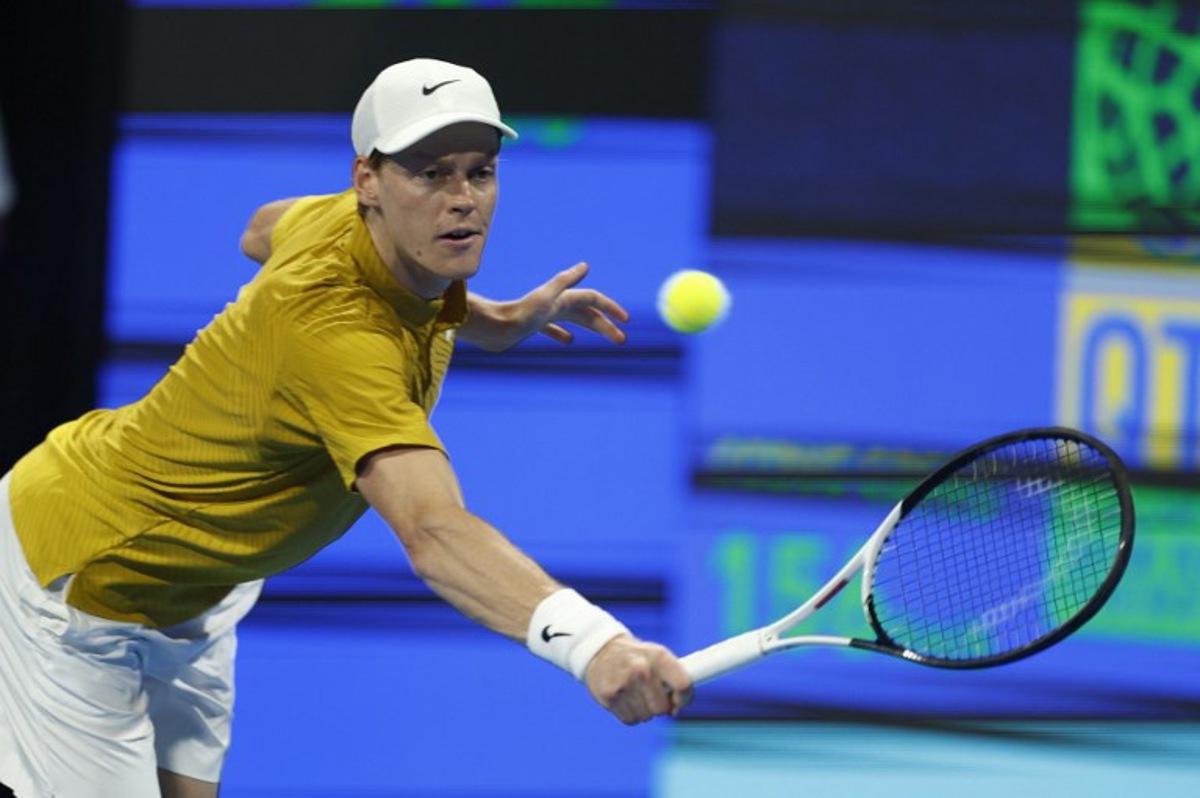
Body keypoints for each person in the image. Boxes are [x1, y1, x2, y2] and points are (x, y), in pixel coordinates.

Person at [0, 59, 692, 798]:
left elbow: (259, 229)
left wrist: (492, 319)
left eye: (480, 171)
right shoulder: (339, 335)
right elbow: (434, 532)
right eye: (430, 173)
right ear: (369, 179)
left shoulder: (345, 220)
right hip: (86, 578)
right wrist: (595, 646)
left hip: (194, 589)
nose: (463, 199)